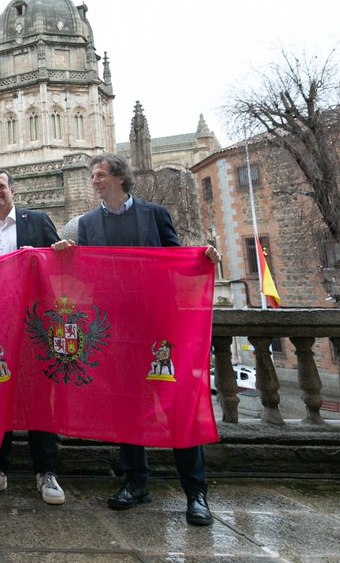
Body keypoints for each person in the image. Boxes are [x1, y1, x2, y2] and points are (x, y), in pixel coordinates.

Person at [65, 153, 219, 527]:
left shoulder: (154, 215)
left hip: (159, 328)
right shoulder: (87, 224)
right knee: (127, 408)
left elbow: (177, 259)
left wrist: (203, 258)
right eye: (92, 176)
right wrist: (66, 258)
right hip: (117, 330)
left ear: (119, 177)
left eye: (100, 175)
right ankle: (136, 483)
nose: (95, 181)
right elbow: (86, 277)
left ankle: (195, 493)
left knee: (178, 405)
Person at [0, 169, 69, 505]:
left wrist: (48, 255)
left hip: (36, 324)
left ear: (13, 189)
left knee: (40, 394)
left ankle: (46, 471)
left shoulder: (37, 221)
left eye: (1, 186)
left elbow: (59, 267)